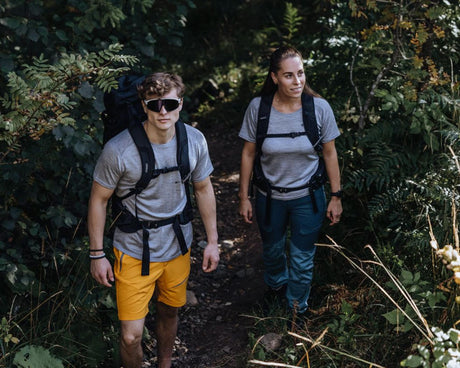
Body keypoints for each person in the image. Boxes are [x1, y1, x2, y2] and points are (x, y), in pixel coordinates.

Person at [88, 72, 219, 368]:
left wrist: (212, 241)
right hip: (134, 249)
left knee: (170, 311)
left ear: (180, 104)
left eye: (170, 104)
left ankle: (165, 364)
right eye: (155, 104)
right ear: (144, 106)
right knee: (132, 337)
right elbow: (98, 200)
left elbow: (203, 188)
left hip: (178, 245)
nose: (163, 111)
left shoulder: (194, 141)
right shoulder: (119, 150)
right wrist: (97, 254)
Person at [238, 46, 342, 320]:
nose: (297, 81)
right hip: (269, 198)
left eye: (300, 73)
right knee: (272, 251)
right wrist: (243, 197)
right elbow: (248, 153)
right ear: (274, 77)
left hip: (308, 198)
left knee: (301, 258)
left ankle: (297, 309)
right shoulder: (258, 109)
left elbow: (330, 153)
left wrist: (335, 195)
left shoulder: (319, 109)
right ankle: (276, 288)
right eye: (288, 75)